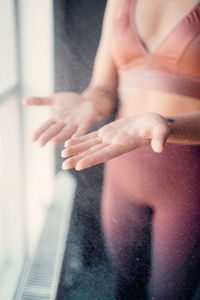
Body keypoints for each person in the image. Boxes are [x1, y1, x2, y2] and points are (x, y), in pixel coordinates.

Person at [23, 0, 200, 298]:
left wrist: (165, 124)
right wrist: (88, 103)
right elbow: (103, 88)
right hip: (121, 169)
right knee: (125, 287)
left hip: (185, 179)